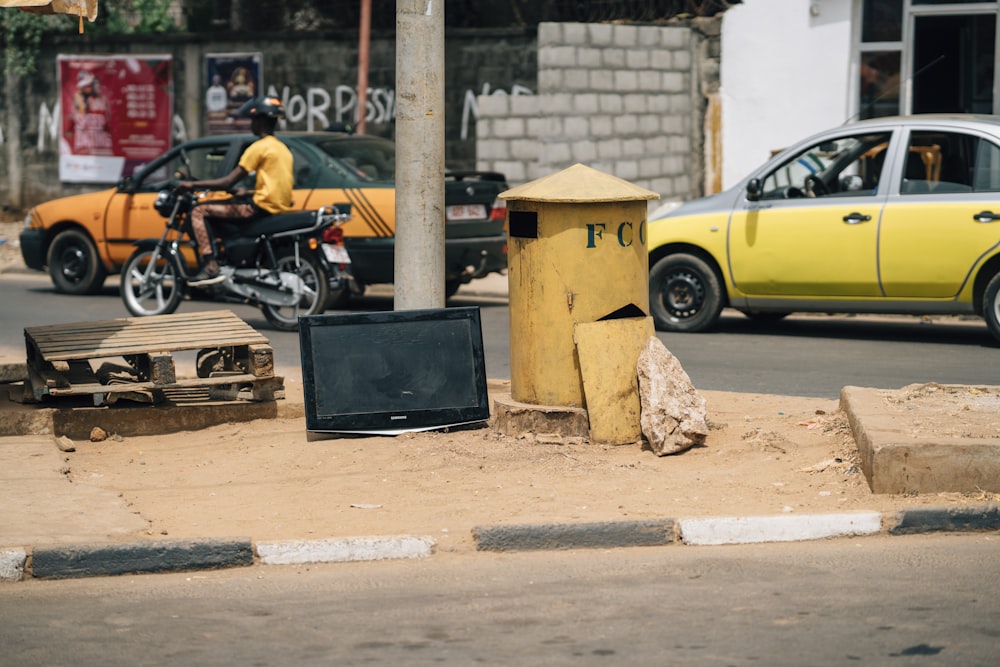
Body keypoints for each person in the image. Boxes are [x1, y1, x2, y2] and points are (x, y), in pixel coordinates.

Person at [177, 96, 294, 286]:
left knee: (199, 210)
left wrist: (193, 185)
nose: (251, 124)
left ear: (261, 121)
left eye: (253, 120)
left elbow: (227, 181)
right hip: (275, 206)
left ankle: (210, 265)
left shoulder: (259, 147)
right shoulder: (283, 149)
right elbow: (275, 184)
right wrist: (246, 193)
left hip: (258, 209)